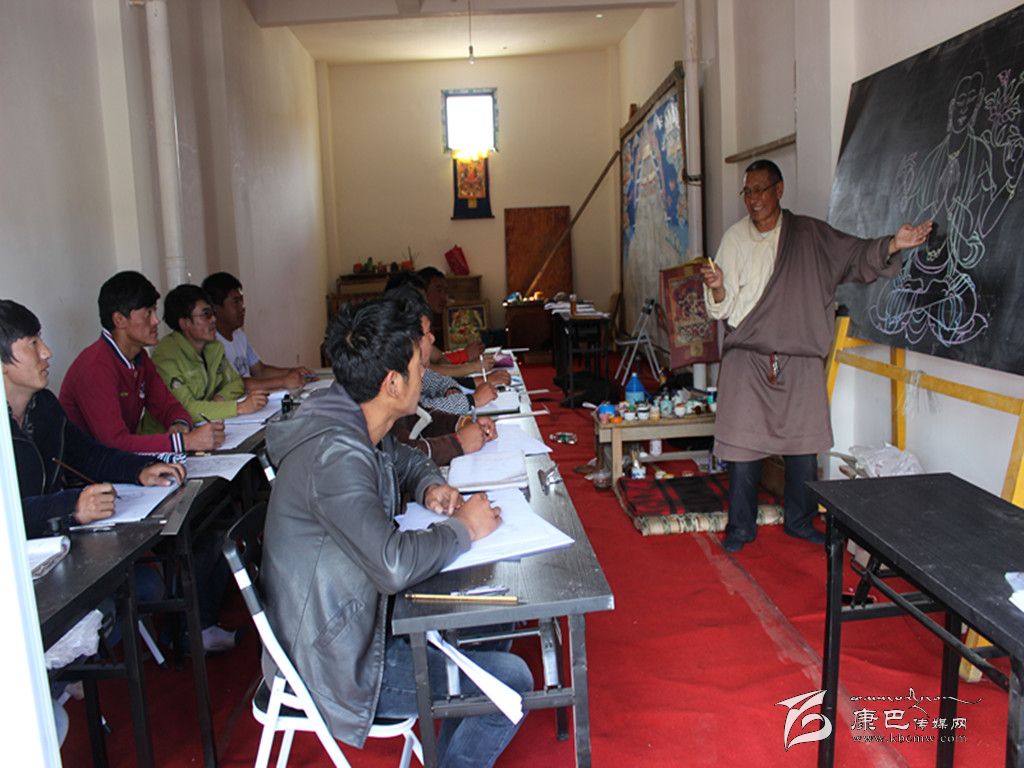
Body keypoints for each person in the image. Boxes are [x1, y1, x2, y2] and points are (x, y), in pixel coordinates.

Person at [260, 294, 531, 767]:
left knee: (497, 609)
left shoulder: (351, 415)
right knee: (511, 681)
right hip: (340, 658)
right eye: (417, 367)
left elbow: (403, 460)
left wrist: (430, 486)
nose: (424, 374)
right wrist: (463, 528)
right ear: (391, 382)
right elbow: (393, 565)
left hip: (362, 618)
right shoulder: (336, 456)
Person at [700, 160, 932, 553]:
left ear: (779, 190)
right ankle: (740, 527)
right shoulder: (734, 239)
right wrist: (719, 288)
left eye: (760, 190)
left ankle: (800, 520)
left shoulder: (810, 235)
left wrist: (893, 244)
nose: (753, 200)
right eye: (747, 192)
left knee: (804, 447)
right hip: (747, 354)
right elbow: (721, 308)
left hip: (800, 356)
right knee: (741, 446)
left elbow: (854, 254)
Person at [1, 299, 184, 536]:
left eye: (40, 340)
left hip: (56, 543)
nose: (46, 352)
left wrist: (140, 469)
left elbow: (88, 455)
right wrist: (71, 506)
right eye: (33, 344)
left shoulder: (44, 405)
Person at [59, 271, 224, 454]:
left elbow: (169, 406)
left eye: (154, 310)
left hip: (121, 462)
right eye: (148, 313)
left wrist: (180, 426)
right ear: (119, 320)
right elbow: (113, 443)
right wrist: (184, 442)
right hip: (88, 469)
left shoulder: (140, 357)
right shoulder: (95, 366)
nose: (156, 320)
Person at [149, 284, 268, 423]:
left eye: (213, 313)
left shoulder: (213, 347)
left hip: (206, 426)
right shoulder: (166, 356)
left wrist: (219, 399)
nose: (213, 320)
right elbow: (185, 409)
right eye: (206, 315)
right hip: (170, 433)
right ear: (185, 323)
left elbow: (236, 382)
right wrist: (239, 408)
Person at [201, 271, 314, 391]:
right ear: (215, 308)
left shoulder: (239, 335)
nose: (242, 308)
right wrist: (283, 381)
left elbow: (259, 371)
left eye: (242, 301)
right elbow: (236, 383)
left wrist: (292, 372)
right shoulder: (212, 344)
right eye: (236, 302)